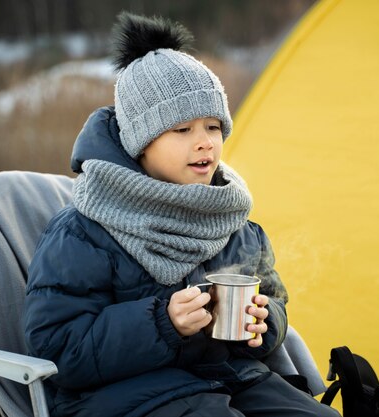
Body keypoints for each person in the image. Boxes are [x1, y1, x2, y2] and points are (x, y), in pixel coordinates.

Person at [23, 12, 340, 417]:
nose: (205, 143)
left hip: (231, 376)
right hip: (127, 396)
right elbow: (59, 347)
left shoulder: (231, 219)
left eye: (212, 127)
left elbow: (274, 299)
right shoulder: (84, 231)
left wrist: (265, 322)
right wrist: (161, 323)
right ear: (140, 142)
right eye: (182, 130)